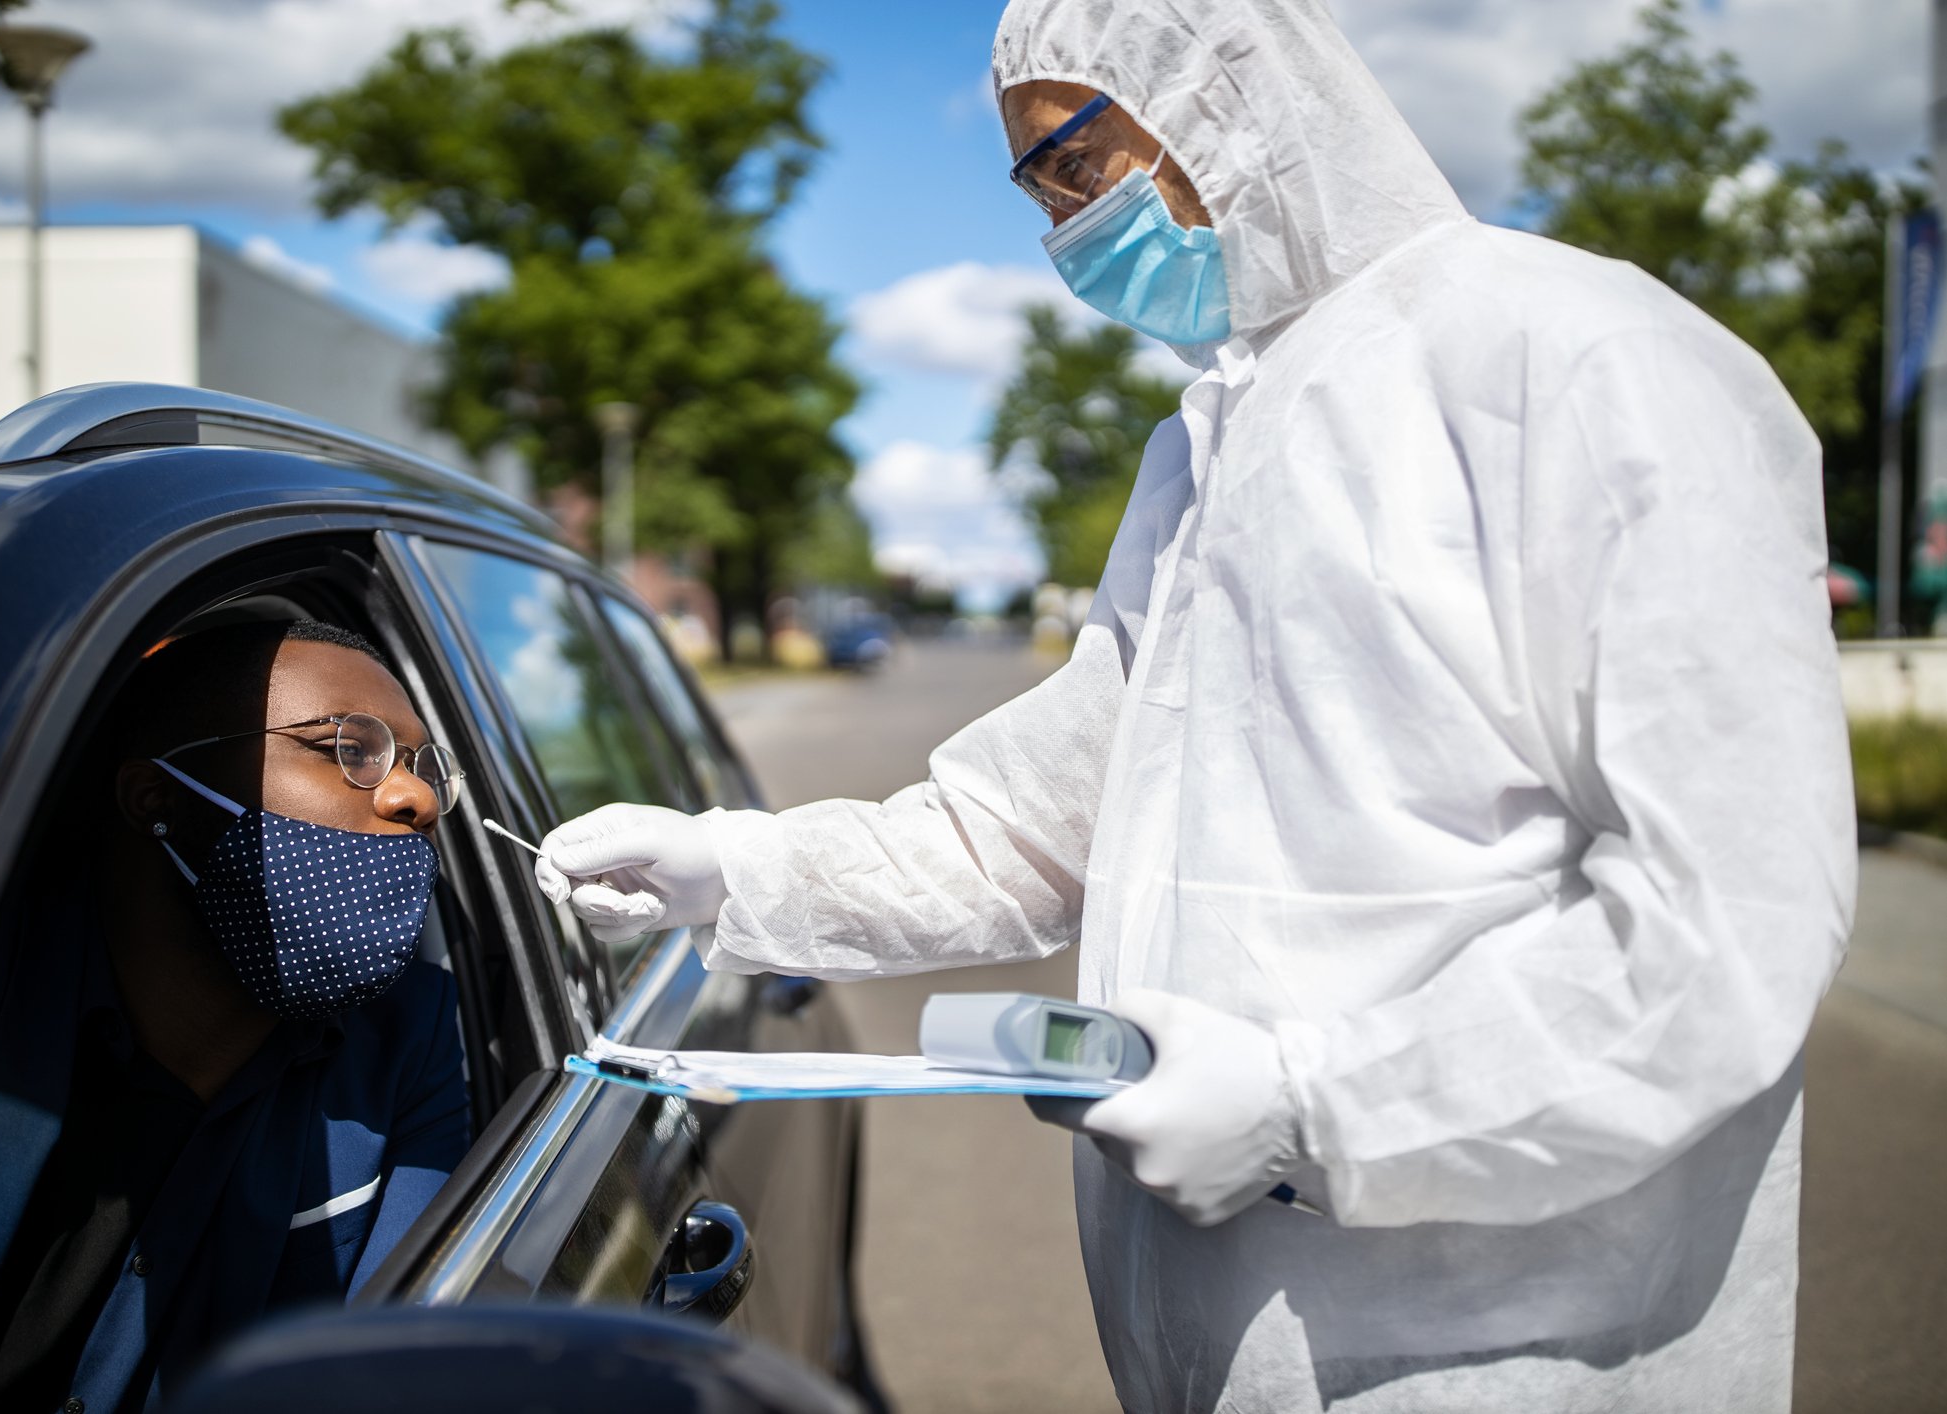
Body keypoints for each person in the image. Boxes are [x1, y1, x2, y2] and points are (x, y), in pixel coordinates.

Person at [536, 0, 1856, 1408]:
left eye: (1072, 163)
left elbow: (1729, 917)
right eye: (1038, 191)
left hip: (1504, 1338)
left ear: (1220, 97)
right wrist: (736, 870)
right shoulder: (1209, 444)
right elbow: (1030, 829)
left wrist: (1318, 1106)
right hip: (1213, 1346)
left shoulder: (1577, 360)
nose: (1063, 227)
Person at [0, 620, 472, 1414]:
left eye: (422, 766)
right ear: (155, 798)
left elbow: (389, 1366)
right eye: (347, 747)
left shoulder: (409, 1035)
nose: (418, 797)